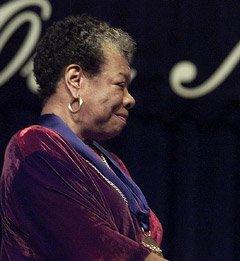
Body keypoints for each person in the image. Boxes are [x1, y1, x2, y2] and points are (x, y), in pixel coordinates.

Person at [1, 15, 165, 260]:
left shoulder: (112, 163)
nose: (130, 99)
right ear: (75, 80)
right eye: (120, 84)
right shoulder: (35, 148)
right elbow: (96, 249)